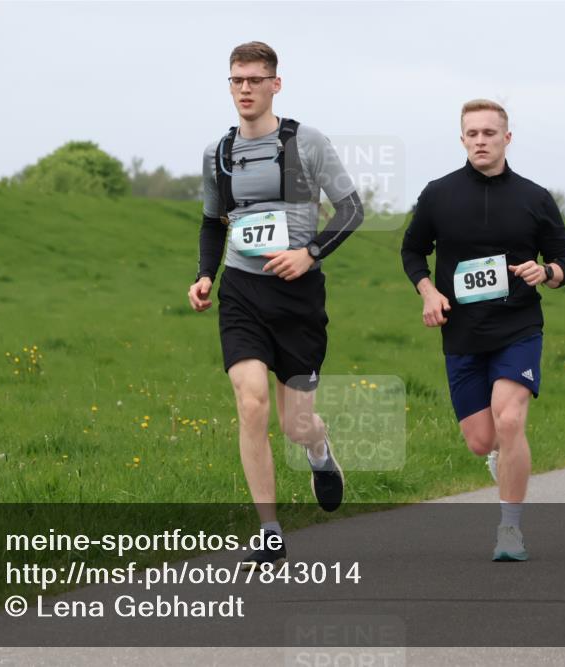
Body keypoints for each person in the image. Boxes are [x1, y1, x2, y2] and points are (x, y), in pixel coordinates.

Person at [187, 42, 364, 568]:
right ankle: (268, 530)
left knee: (295, 424)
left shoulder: (304, 143)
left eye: (255, 80)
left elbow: (351, 210)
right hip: (242, 292)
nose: (245, 89)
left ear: (275, 85)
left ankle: (319, 452)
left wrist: (308, 254)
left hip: (297, 298)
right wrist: (203, 275)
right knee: (250, 403)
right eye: (237, 80)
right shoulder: (218, 153)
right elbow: (210, 222)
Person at [401, 99, 565, 561]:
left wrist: (549, 273)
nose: (481, 140)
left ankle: (510, 531)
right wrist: (427, 292)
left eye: (489, 133)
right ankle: (504, 460)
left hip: (517, 324)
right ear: (462, 139)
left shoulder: (534, 197)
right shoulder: (438, 194)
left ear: (507, 138)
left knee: (511, 418)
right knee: (483, 439)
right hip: (461, 332)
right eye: (472, 133)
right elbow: (413, 251)